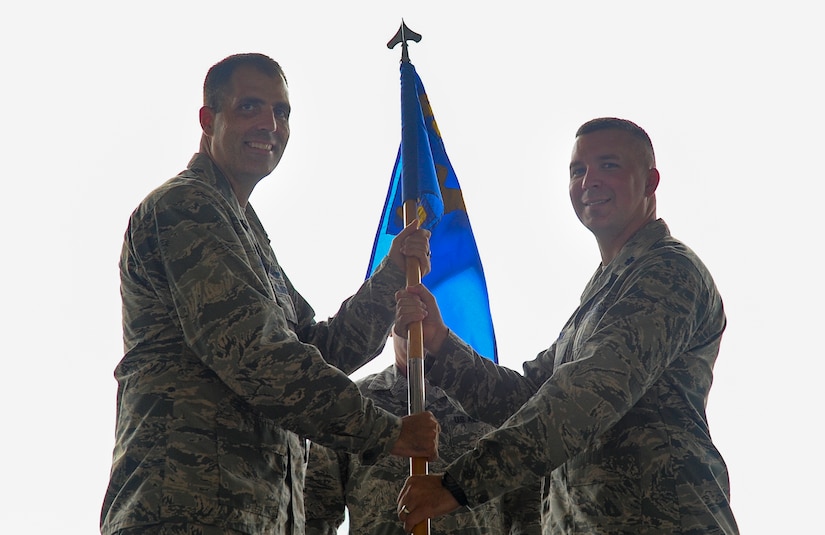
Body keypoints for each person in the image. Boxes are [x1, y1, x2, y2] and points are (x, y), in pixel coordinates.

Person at [100, 52, 441, 535]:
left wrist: (390, 276)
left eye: (281, 112)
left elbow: (319, 351)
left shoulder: (246, 233)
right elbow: (258, 355)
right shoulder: (186, 207)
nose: (270, 124)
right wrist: (386, 432)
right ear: (208, 119)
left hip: (256, 517)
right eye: (249, 108)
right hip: (182, 510)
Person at [394, 118, 739, 534]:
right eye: (578, 171)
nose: (589, 181)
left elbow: (584, 397)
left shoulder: (669, 271)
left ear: (650, 182)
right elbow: (528, 397)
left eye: (608, 165)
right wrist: (440, 345)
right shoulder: (604, 289)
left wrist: (458, 485)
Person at [303, 331, 542, 535]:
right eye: (405, 308)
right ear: (389, 326)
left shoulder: (493, 403)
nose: (416, 323)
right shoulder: (352, 404)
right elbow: (316, 509)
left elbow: (527, 510)